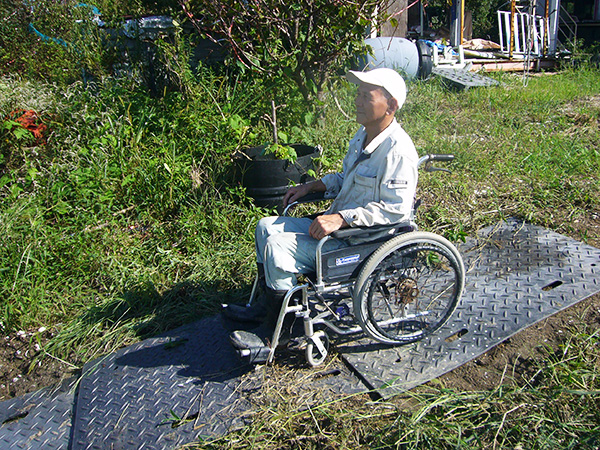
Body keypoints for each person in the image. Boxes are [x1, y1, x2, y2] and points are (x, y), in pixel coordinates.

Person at [222, 68, 419, 356]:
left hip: (364, 240)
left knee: (279, 248)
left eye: (367, 96)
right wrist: (312, 186)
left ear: (391, 106)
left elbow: (396, 210)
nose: (358, 101)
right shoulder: (362, 136)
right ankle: (266, 308)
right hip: (342, 230)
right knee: (266, 226)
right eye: (358, 94)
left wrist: (342, 218)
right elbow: (347, 180)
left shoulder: (397, 151)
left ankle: (283, 336)